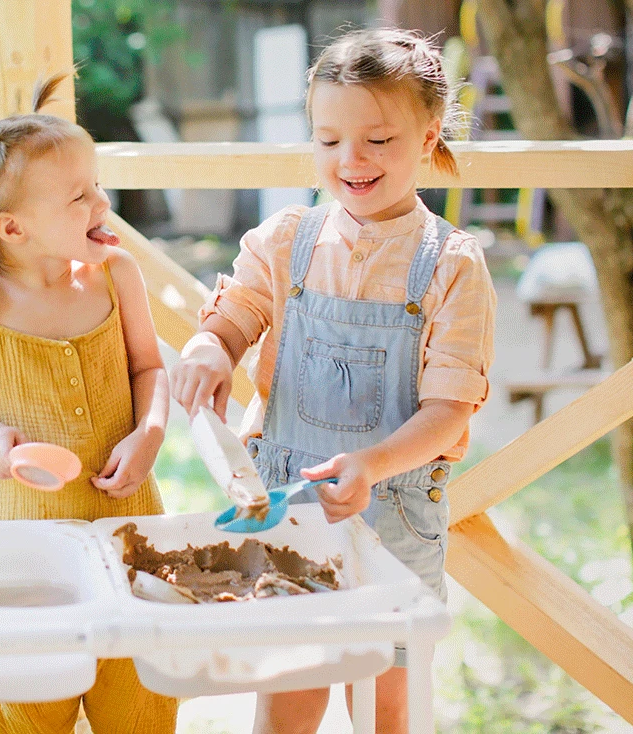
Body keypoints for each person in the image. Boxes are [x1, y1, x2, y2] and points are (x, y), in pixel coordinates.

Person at [170, 28, 496, 733]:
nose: (350, 160)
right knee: (288, 691)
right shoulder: (287, 239)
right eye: (328, 140)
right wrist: (208, 350)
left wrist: (371, 465)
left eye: (378, 141)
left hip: (391, 521)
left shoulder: (452, 266)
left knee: (383, 704)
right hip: (287, 513)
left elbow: (448, 412)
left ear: (428, 135)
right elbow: (236, 315)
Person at [0, 73, 177, 734]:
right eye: (79, 196)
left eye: (96, 184)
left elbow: (151, 368)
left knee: (141, 697)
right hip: (24, 554)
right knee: (31, 707)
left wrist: (150, 432)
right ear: (13, 228)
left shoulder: (116, 275)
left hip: (128, 538)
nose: (101, 200)